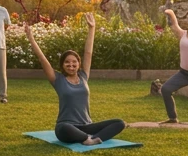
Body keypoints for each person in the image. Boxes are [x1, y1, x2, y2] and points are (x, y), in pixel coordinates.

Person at [25, 12, 126, 146]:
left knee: (120, 123)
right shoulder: (58, 79)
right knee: (63, 128)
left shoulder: (83, 76)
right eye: (67, 62)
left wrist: (92, 28)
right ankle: (88, 138)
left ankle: (92, 139)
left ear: (79, 64)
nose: (71, 65)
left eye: (74, 62)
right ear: (62, 65)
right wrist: (31, 38)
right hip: (67, 127)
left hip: (86, 125)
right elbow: (42, 59)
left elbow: (88, 53)